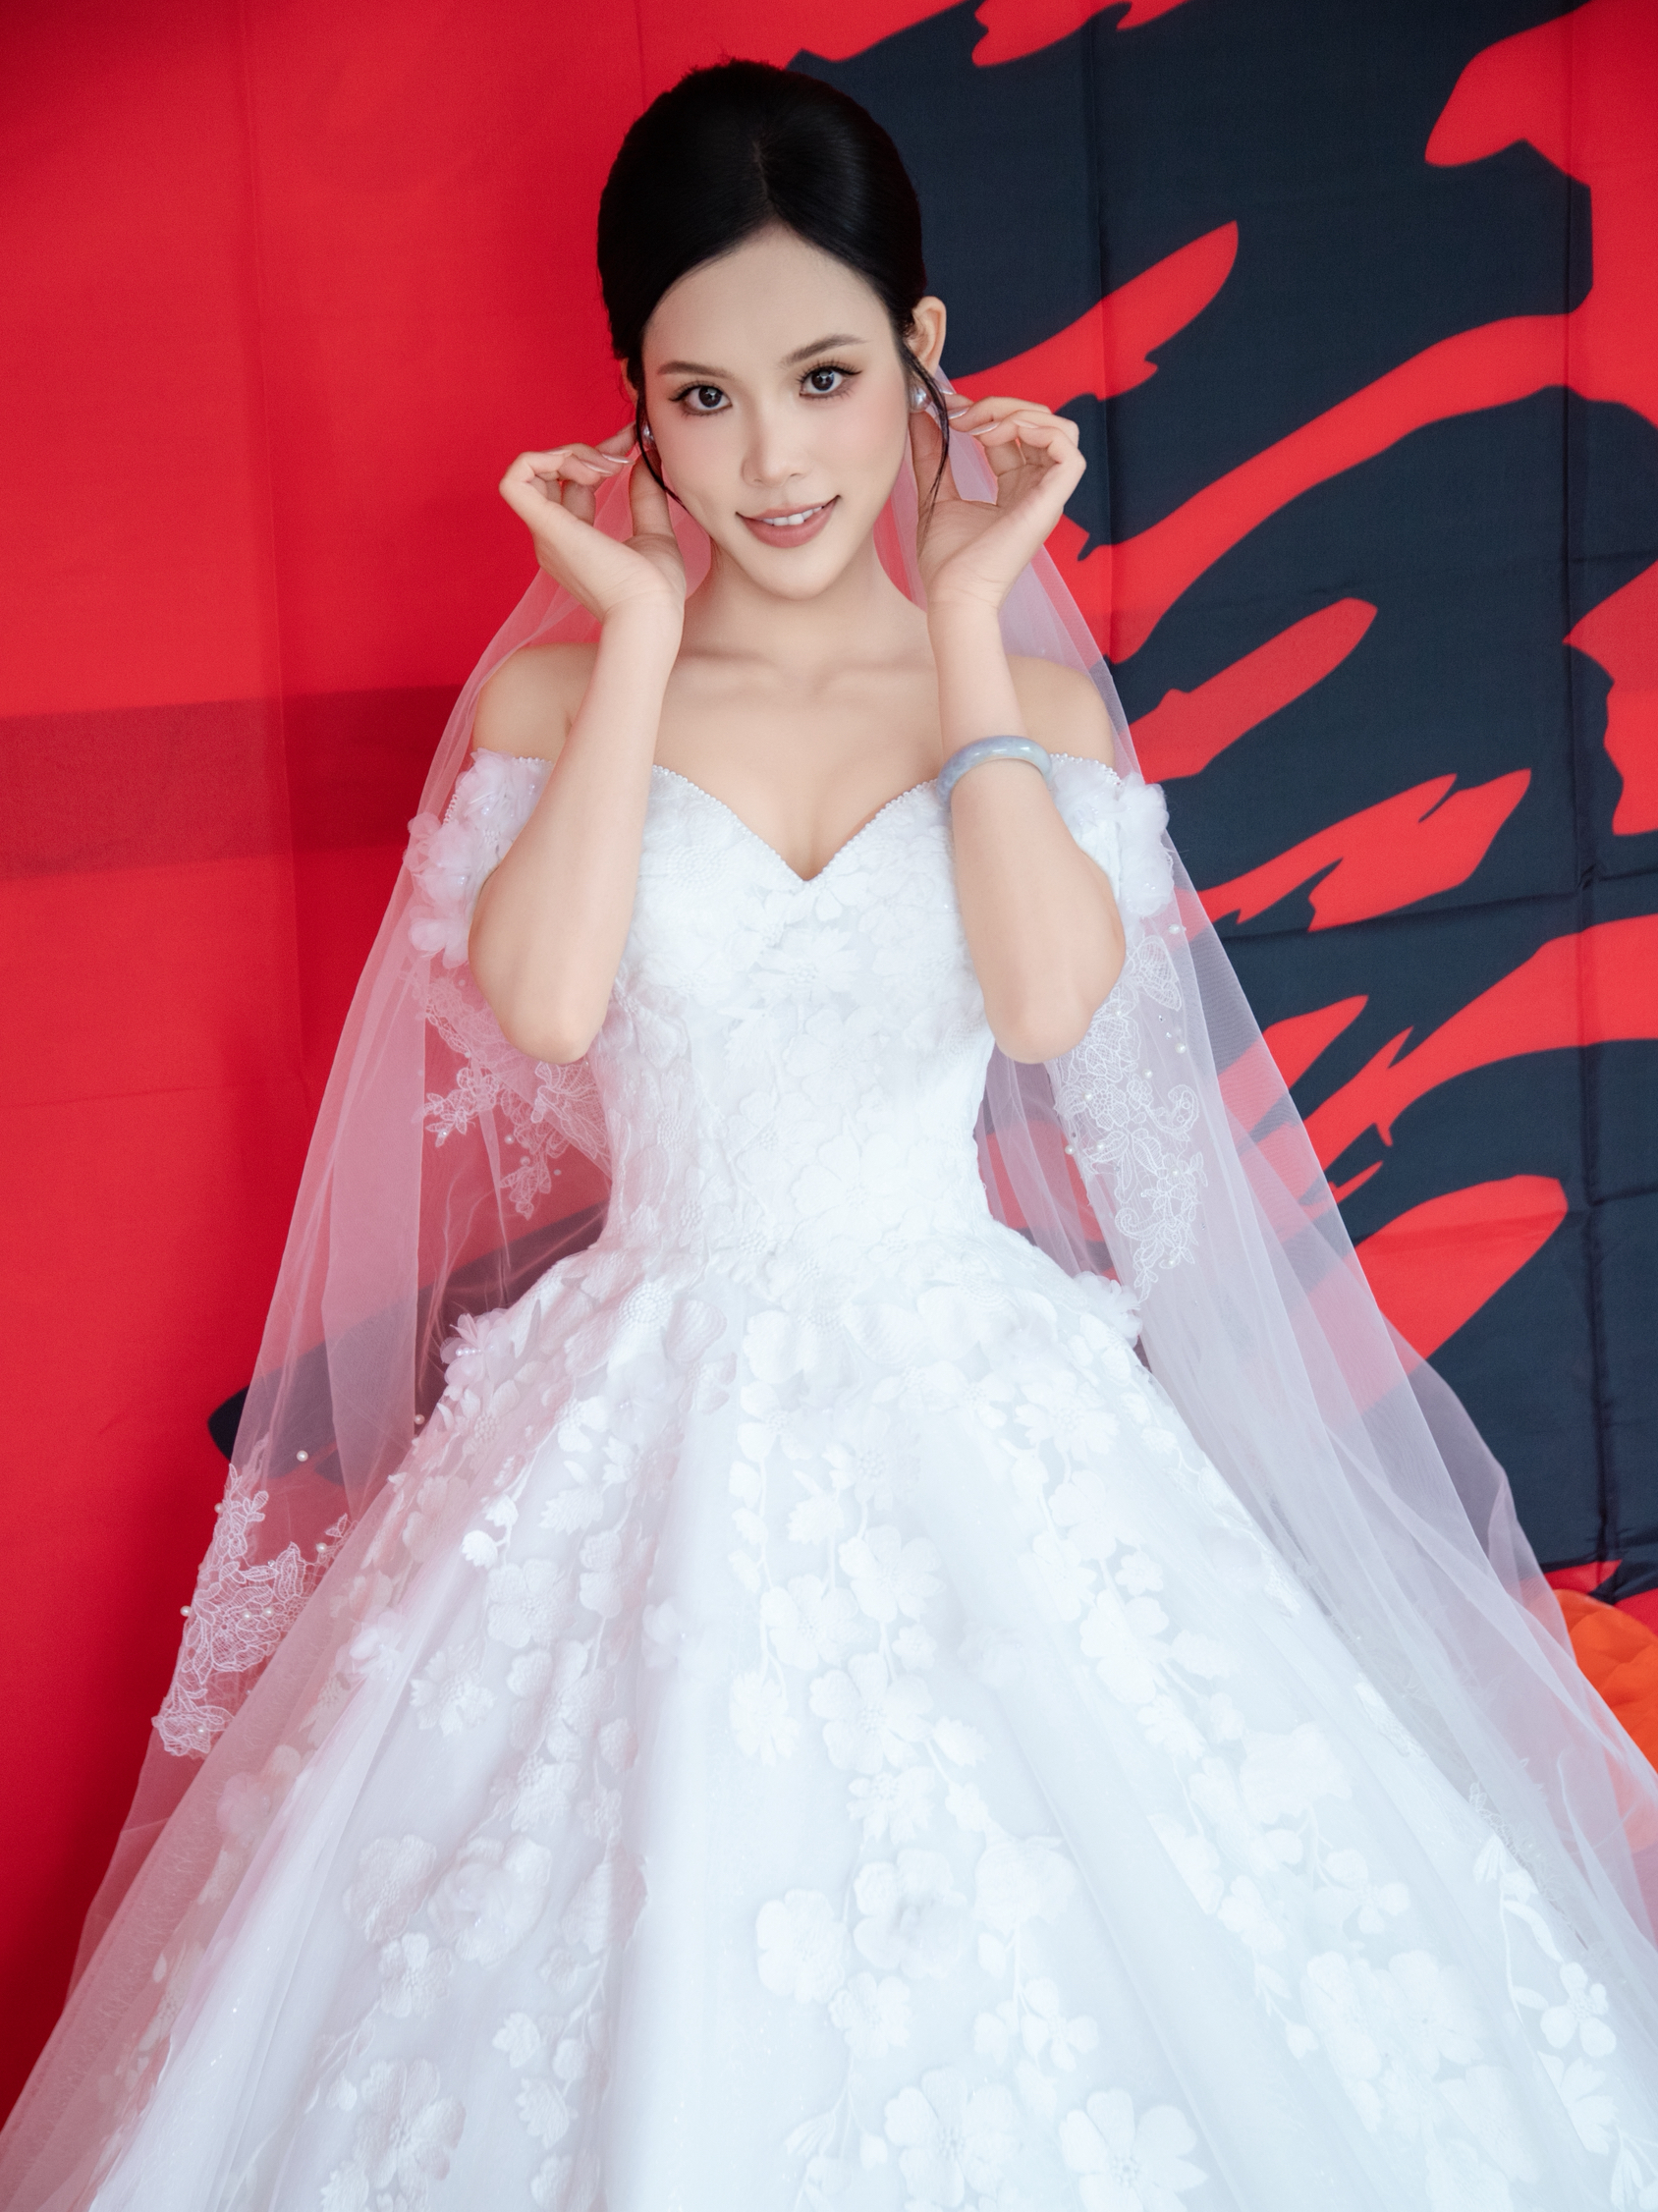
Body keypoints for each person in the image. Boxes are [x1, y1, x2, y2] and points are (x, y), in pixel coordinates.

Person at [5, 58, 1658, 2212]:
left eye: (821, 377)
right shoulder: (563, 696)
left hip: (974, 1379)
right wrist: (631, 641)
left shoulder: (1022, 698)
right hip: (641, 1387)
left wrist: (964, 622)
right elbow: (545, 1004)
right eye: (701, 399)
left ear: (921, 352)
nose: (772, 459)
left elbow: (1049, 1005)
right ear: (630, 408)